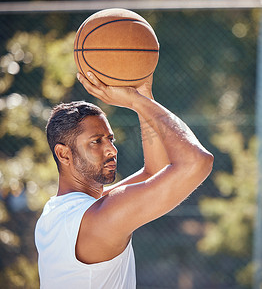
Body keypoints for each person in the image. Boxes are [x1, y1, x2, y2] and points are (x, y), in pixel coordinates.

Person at [35, 71, 214, 289]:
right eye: (96, 142)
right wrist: (134, 100)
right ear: (64, 154)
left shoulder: (56, 212)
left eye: (111, 139)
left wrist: (144, 96)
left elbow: (153, 173)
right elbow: (197, 162)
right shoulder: (99, 219)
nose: (111, 149)